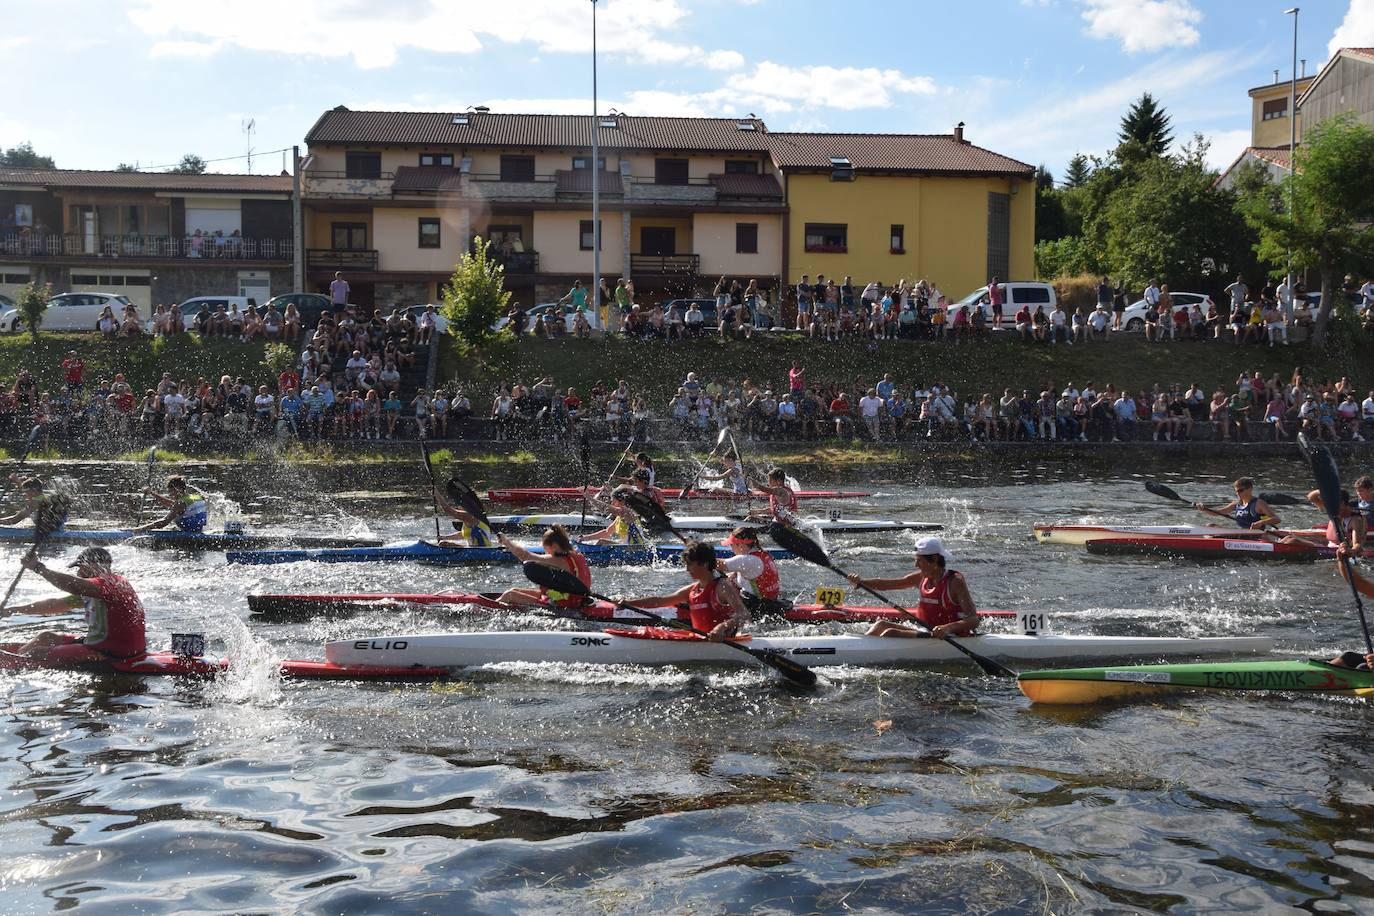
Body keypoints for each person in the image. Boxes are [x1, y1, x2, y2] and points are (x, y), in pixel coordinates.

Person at [2, 547, 146, 663]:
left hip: (114, 652)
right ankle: (17, 659)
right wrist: (14, 610)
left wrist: (38, 568)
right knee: (45, 637)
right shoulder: (97, 590)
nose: (78, 572)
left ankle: (15, 663)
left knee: (36, 653)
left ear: (94, 565)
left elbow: (72, 585)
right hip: (107, 645)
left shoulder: (111, 584)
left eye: (81, 567)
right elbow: (53, 606)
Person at [845, 537, 979, 639]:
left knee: (890, 633)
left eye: (919, 560)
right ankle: (859, 647)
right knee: (881, 624)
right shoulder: (921, 577)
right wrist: (861, 582)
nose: (916, 565)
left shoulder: (954, 581)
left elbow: (974, 619)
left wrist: (948, 628)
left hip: (948, 637)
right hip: (925, 631)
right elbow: (887, 584)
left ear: (935, 559)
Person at [621, 540, 749, 641]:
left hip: (722, 642)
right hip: (698, 641)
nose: (687, 570)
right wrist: (629, 603)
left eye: (690, 564)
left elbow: (743, 614)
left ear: (704, 564)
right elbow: (659, 601)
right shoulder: (692, 590)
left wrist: (722, 627)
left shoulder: (722, 587)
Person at [495, 526, 591, 609]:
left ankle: (489, 607)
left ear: (553, 546)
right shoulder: (576, 556)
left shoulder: (558, 561)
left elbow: (524, 556)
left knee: (510, 595)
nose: (546, 553)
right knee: (514, 590)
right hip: (575, 600)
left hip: (561, 605)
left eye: (546, 549)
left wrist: (506, 541)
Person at [718, 526, 782, 607]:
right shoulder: (763, 555)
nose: (731, 549)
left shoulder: (747, 560)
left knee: (720, 588)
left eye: (731, 545)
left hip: (758, 607)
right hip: (769, 601)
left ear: (741, 546)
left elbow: (717, 564)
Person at [1194, 477, 1280, 530]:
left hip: (1255, 534)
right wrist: (1203, 509)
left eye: (1241, 490)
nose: (1238, 493)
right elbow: (1218, 513)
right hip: (1241, 532)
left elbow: (1276, 519)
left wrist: (1261, 523)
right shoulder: (1236, 504)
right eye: (1236, 491)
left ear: (1249, 489)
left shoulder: (1259, 503)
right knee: (1211, 526)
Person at [133, 475, 208, 533]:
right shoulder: (197, 497)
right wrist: (152, 493)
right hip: (198, 531)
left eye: (171, 491)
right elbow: (173, 505)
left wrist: (140, 529)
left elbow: (164, 522)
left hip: (189, 534)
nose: (170, 494)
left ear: (179, 489)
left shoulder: (180, 503)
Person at [584, 487, 650, 546]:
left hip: (636, 548)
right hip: (628, 547)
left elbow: (605, 508)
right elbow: (607, 532)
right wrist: (585, 538)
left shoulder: (627, 513)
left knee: (602, 541)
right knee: (611, 541)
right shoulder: (620, 517)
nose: (611, 503)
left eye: (613, 501)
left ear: (622, 501)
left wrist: (590, 498)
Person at [0, 477, 68, 530]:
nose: (25, 495)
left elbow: (14, 520)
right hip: (58, 526)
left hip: (50, 529)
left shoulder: (35, 503)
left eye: (26, 493)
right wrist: (18, 482)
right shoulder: (45, 496)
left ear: (33, 492)